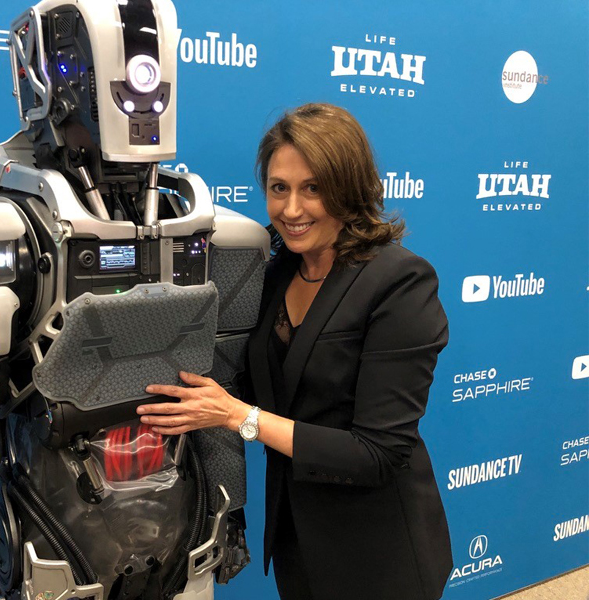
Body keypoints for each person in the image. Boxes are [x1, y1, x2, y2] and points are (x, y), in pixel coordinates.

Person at [137, 103, 453, 600]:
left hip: (378, 552)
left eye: (313, 188)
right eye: (278, 188)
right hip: (297, 538)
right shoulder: (275, 269)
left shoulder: (401, 282)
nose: (291, 209)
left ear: (351, 188)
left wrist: (238, 417)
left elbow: (377, 453)